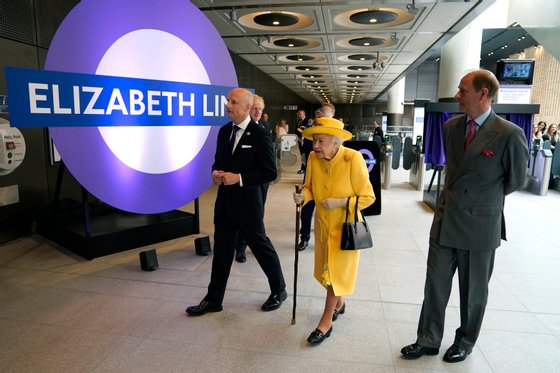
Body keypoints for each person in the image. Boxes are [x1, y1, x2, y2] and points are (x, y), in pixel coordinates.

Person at [401, 69, 528, 363]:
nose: (457, 96)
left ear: (484, 94)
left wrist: (483, 203)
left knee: (473, 294)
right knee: (435, 286)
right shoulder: (451, 127)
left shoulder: (509, 134)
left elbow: (515, 180)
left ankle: (466, 340)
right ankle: (428, 339)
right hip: (446, 220)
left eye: (463, 91)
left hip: (480, 226)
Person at [186, 88, 287, 316]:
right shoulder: (223, 132)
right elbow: (217, 162)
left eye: (233, 102)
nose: (227, 105)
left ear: (247, 108)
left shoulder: (260, 134)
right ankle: (213, 299)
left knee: (261, 248)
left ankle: (279, 290)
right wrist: (215, 173)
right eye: (228, 101)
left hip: (249, 205)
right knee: (221, 251)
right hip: (224, 203)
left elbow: (270, 172)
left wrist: (239, 178)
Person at [293, 117, 375, 345]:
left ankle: (325, 321)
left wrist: (339, 202)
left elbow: (369, 198)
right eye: (313, 141)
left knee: (335, 277)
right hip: (322, 226)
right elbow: (309, 187)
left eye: (320, 141)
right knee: (327, 273)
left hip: (346, 231)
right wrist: (303, 196)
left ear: (336, 143)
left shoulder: (353, 159)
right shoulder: (312, 158)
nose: (315, 146)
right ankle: (340, 304)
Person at [234, 94, 271, 263]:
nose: (257, 112)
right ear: (248, 108)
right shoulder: (240, 129)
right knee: (244, 214)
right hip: (244, 182)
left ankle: (253, 243)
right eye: (255, 108)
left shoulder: (264, 126)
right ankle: (240, 247)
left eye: (260, 109)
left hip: (262, 182)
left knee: (257, 214)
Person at [297, 103, 336, 252]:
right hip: (312, 177)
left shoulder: (337, 133)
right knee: (306, 209)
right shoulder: (311, 128)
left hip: (330, 181)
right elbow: (308, 148)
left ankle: (328, 240)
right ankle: (304, 238)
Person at [295, 109, 311, 174]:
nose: (299, 115)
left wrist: (302, 138)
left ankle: (304, 169)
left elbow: (307, 130)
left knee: (305, 154)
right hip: (299, 141)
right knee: (302, 155)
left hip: (305, 140)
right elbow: (296, 131)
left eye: (300, 114)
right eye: (298, 114)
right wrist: (297, 138)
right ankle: (303, 168)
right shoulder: (298, 121)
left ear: (304, 114)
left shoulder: (308, 120)